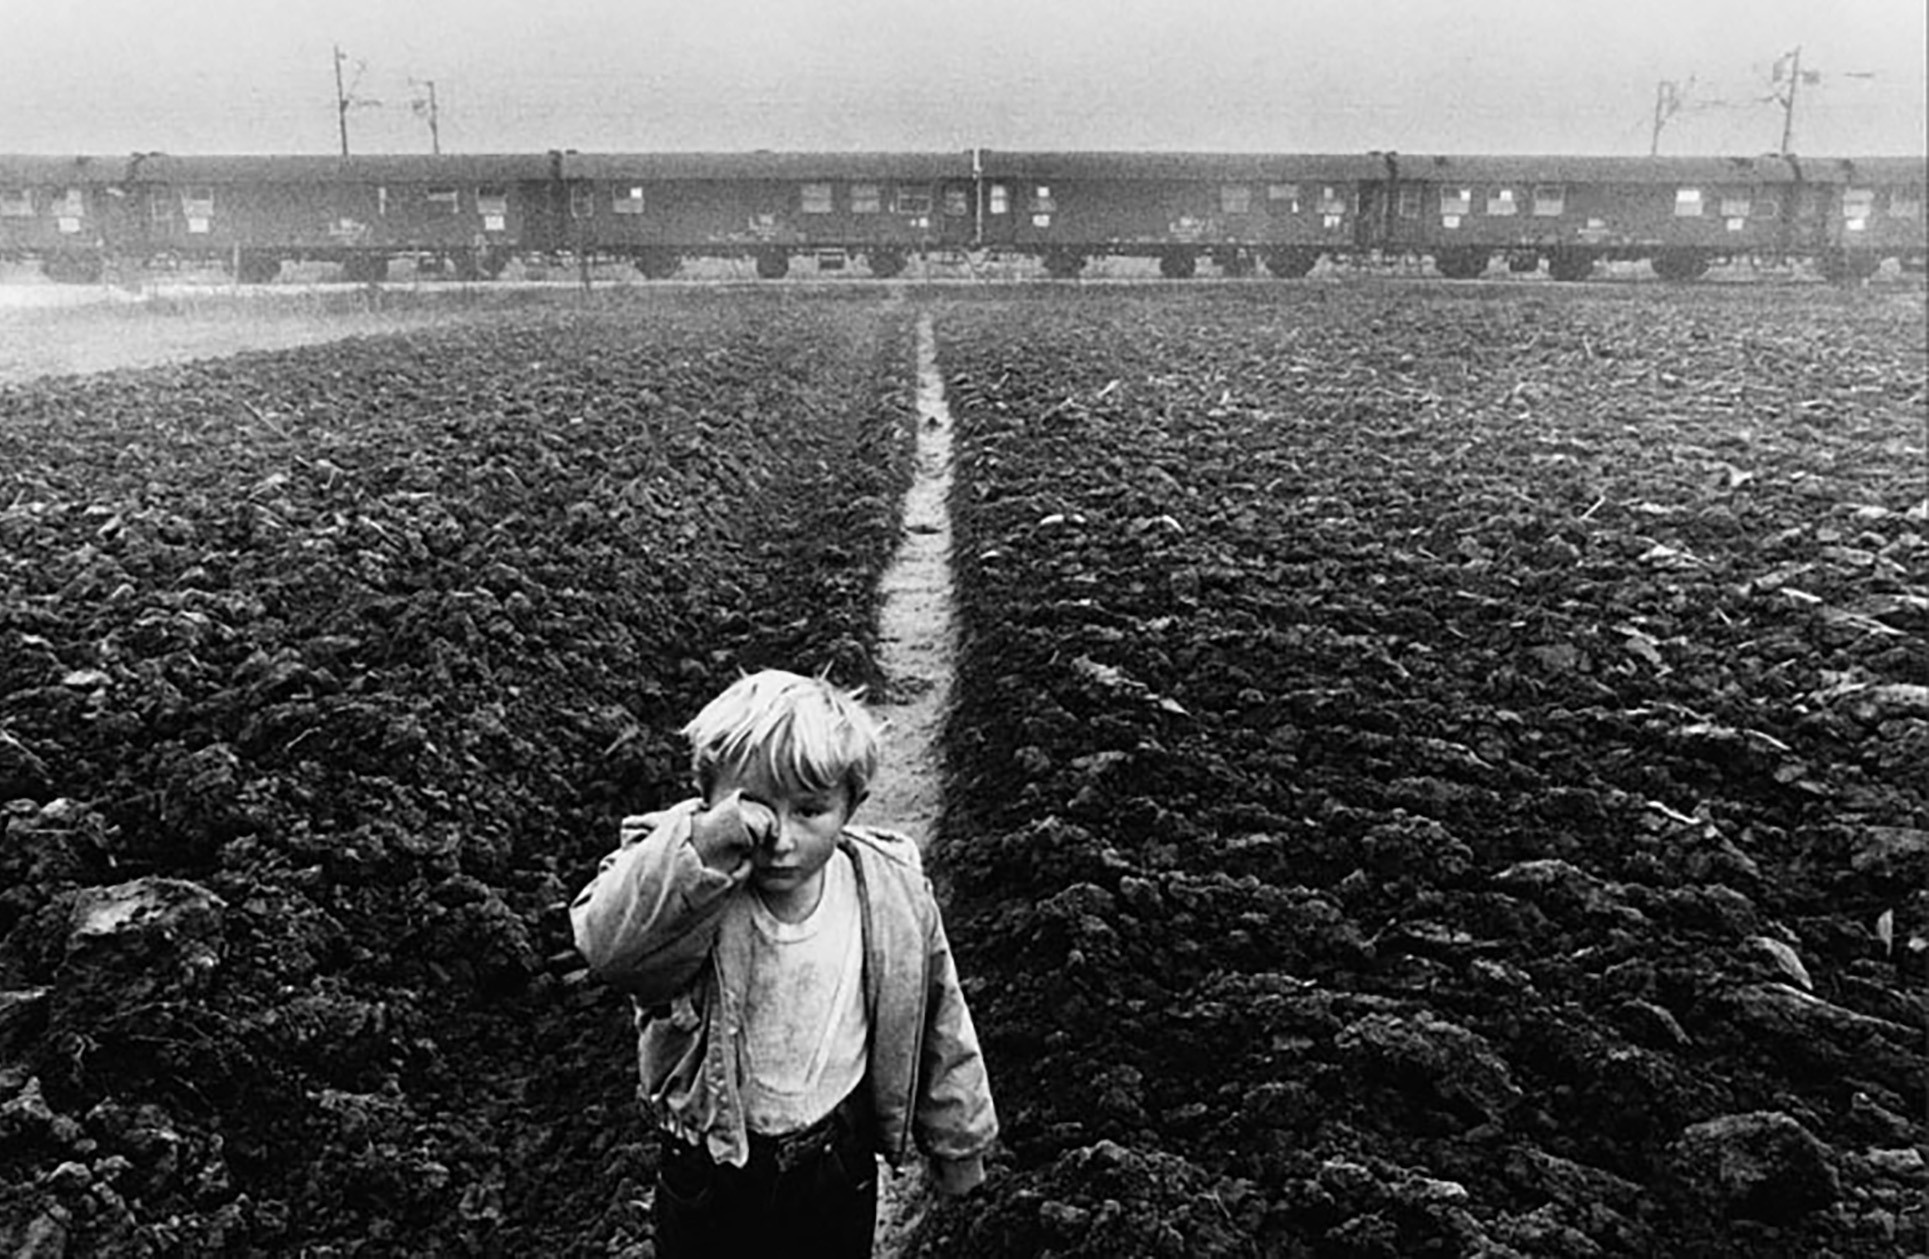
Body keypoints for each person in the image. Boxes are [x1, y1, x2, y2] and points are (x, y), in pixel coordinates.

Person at [571, 668, 997, 1257]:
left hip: (834, 1163)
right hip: (711, 1170)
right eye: (755, 806)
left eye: (810, 811)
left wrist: (959, 1138)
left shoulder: (890, 892)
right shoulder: (685, 884)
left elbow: (938, 1016)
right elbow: (610, 948)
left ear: (852, 805)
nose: (780, 837)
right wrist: (711, 844)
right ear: (708, 797)